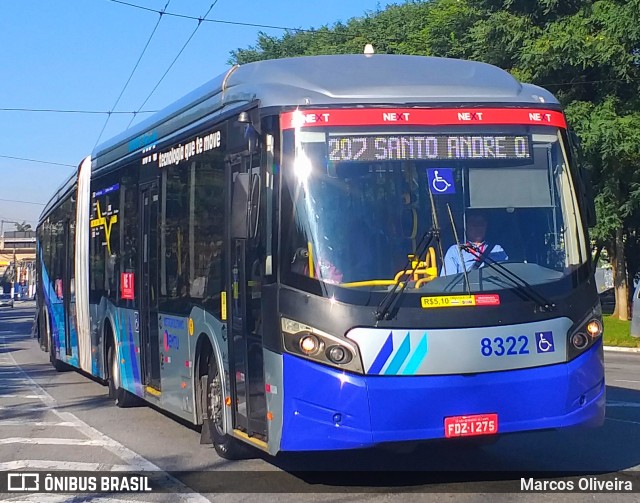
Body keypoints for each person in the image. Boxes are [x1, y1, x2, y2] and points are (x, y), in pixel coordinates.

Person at [440, 213, 508, 275]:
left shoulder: (497, 249)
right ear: (466, 226)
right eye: (473, 224)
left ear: (486, 226)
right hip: (467, 288)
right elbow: (448, 282)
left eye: (481, 224)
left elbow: (506, 276)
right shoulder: (455, 250)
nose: (477, 227)